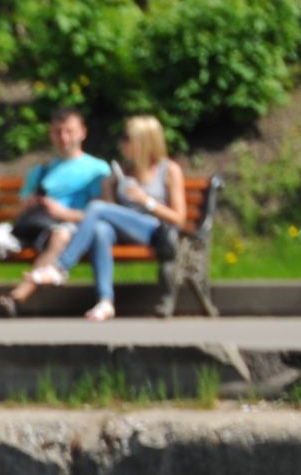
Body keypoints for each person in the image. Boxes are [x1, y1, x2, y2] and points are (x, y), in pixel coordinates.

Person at [24, 114, 190, 322]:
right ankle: (105, 301)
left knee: (96, 208)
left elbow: (179, 219)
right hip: (122, 230)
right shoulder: (125, 170)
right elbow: (109, 212)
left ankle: (60, 267)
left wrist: (146, 200)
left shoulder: (168, 170)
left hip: (153, 231)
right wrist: (108, 187)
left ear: (144, 141)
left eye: (127, 138)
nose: (122, 144)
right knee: (100, 230)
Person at [0, 108, 113, 316]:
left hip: (70, 228)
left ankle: (18, 294)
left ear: (82, 132)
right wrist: (31, 203)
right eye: (58, 132)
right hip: (34, 225)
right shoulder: (41, 170)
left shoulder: (97, 169)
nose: (63, 137)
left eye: (69, 131)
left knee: (60, 235)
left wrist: (63, 212)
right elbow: (20, 211)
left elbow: (103, 212)